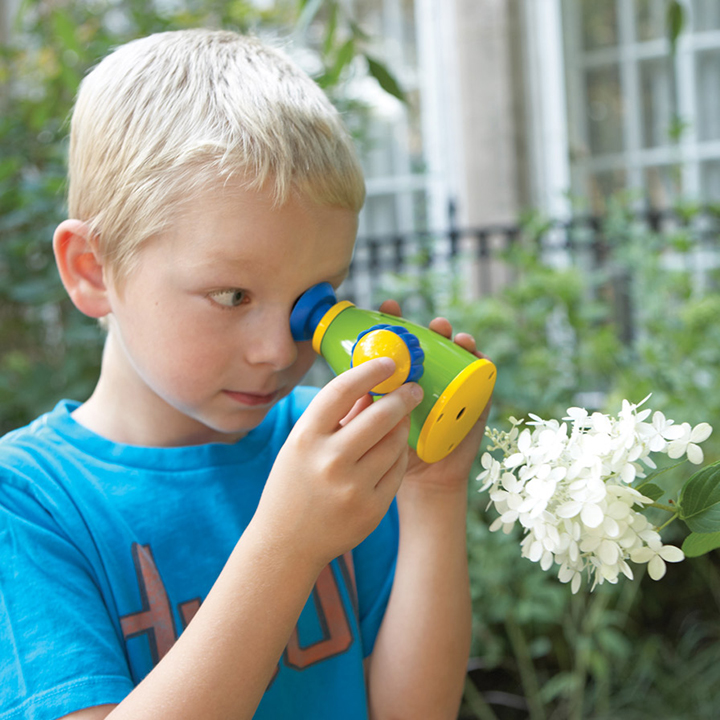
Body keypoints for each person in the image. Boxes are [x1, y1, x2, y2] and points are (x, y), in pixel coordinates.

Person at [0, 29, 489, 720]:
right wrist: (289, 544)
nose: (277, 351)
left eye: (313, 301)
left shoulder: (331, 451)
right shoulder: (26, 502)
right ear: (92, 270)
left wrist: (431, 493)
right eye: (232, 296)